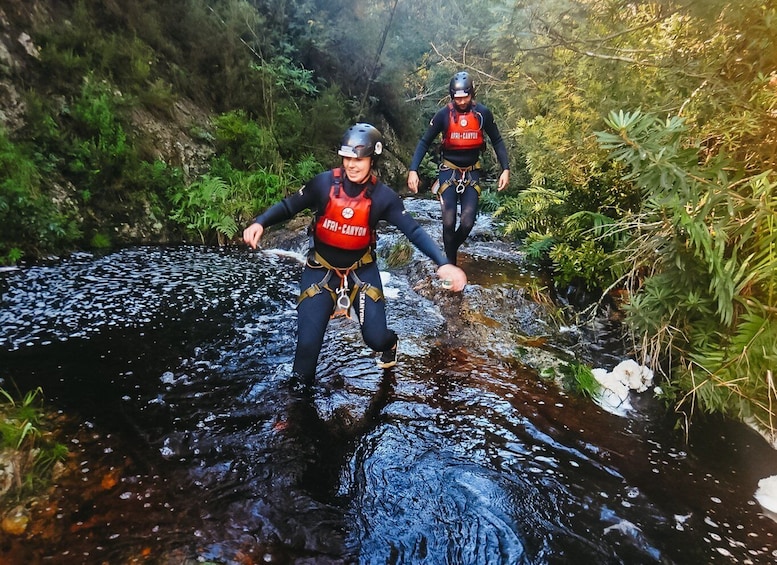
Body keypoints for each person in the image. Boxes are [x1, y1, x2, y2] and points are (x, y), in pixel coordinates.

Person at [243, 123, 467, 385]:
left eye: (358, 158)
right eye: (347, 157)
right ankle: (298, 414)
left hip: (362, 271)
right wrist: (260, 222)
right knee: (306, 348)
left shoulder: (384, 198)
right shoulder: (323, 183)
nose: (352, 164)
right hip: (320, 270)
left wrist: (443, 263)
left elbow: (414, 230)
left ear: (372, 158)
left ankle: (390, 344)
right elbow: (289, 205)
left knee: (375, 337)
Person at [407, 71, 510, 265]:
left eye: (465, 97)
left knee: (467, 223)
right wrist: (413, 169)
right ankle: (450, 266)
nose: (461, 102)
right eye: (457, 98)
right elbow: (424, 141)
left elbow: (497, 139)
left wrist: (505, 168)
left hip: (471, 172)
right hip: (449, 171)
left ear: (472, 94)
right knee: (448, 222)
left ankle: (449, 250)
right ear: (451, 95)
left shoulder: (482, 114)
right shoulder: (443, 115)